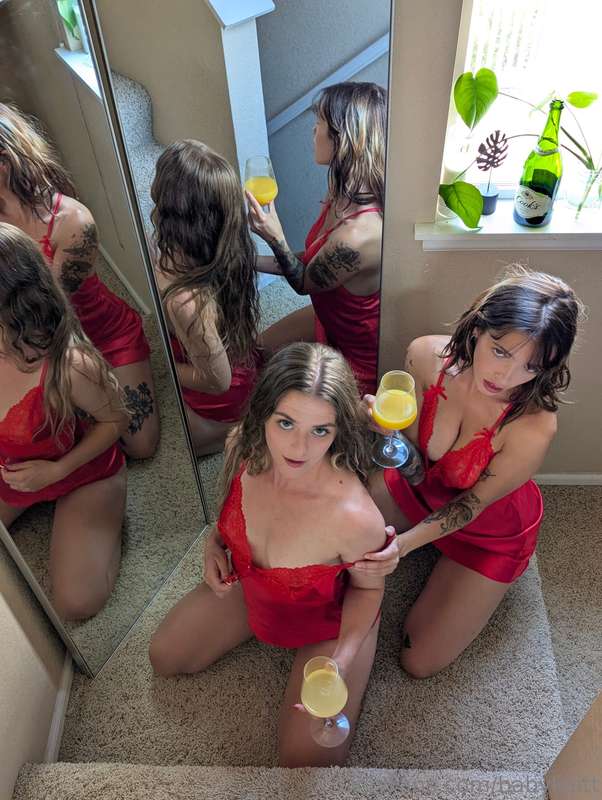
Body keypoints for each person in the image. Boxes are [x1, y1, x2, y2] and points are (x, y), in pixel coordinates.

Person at [148, 342, 393, 766]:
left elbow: (369, 592)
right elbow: (227, 515)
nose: (298, 447)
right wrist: (214, 543)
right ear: (263, 414)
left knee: (303, 764)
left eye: (320, 430)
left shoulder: (355, 518)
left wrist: (341, 660)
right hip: (253, 588)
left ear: (338, 431)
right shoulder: (243, 448)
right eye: (285, 423)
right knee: (164, 656)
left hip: (325, 618)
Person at [355, 267, 581, 679]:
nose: (506, 377)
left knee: (417, 659)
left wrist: (403, 546)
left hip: (489, 530)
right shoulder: (424, 357)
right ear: (478, 329)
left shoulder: (535, 425)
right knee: (340, 533)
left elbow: (472, 505)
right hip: (422, 488)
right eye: (501, 351)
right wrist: (384, 431)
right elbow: (414, 459)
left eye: (531, 367)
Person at [0, 102, 159, 459]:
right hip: (24, 338)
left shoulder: (73, 222)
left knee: (140, 445)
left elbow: (50, 314)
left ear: (4, 162)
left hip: (96, 332)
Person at [0, 223, 129, 620]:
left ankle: (110, 520)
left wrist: (56, 470)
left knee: (76, 603)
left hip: (80, 470)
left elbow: (117, 420)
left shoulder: (70, 364)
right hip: (12, 469)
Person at [247, 81, 386, 395]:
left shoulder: (359, 235)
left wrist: (274, 237)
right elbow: (314, 260)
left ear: (344, 137)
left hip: (357, 357)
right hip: (328, 320)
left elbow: (304, 282)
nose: (313, 130)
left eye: (320, 121)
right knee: (253, 354)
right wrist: (248, 260)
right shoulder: (343, 191)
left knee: (281, 393)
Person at [151, 140, 261, 455]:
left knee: (169, 438)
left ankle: (240, 427)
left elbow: (218, 382)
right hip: (233, 352)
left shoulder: (185, 300)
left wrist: (162, 363)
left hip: (221, 392)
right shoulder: (224, 244)